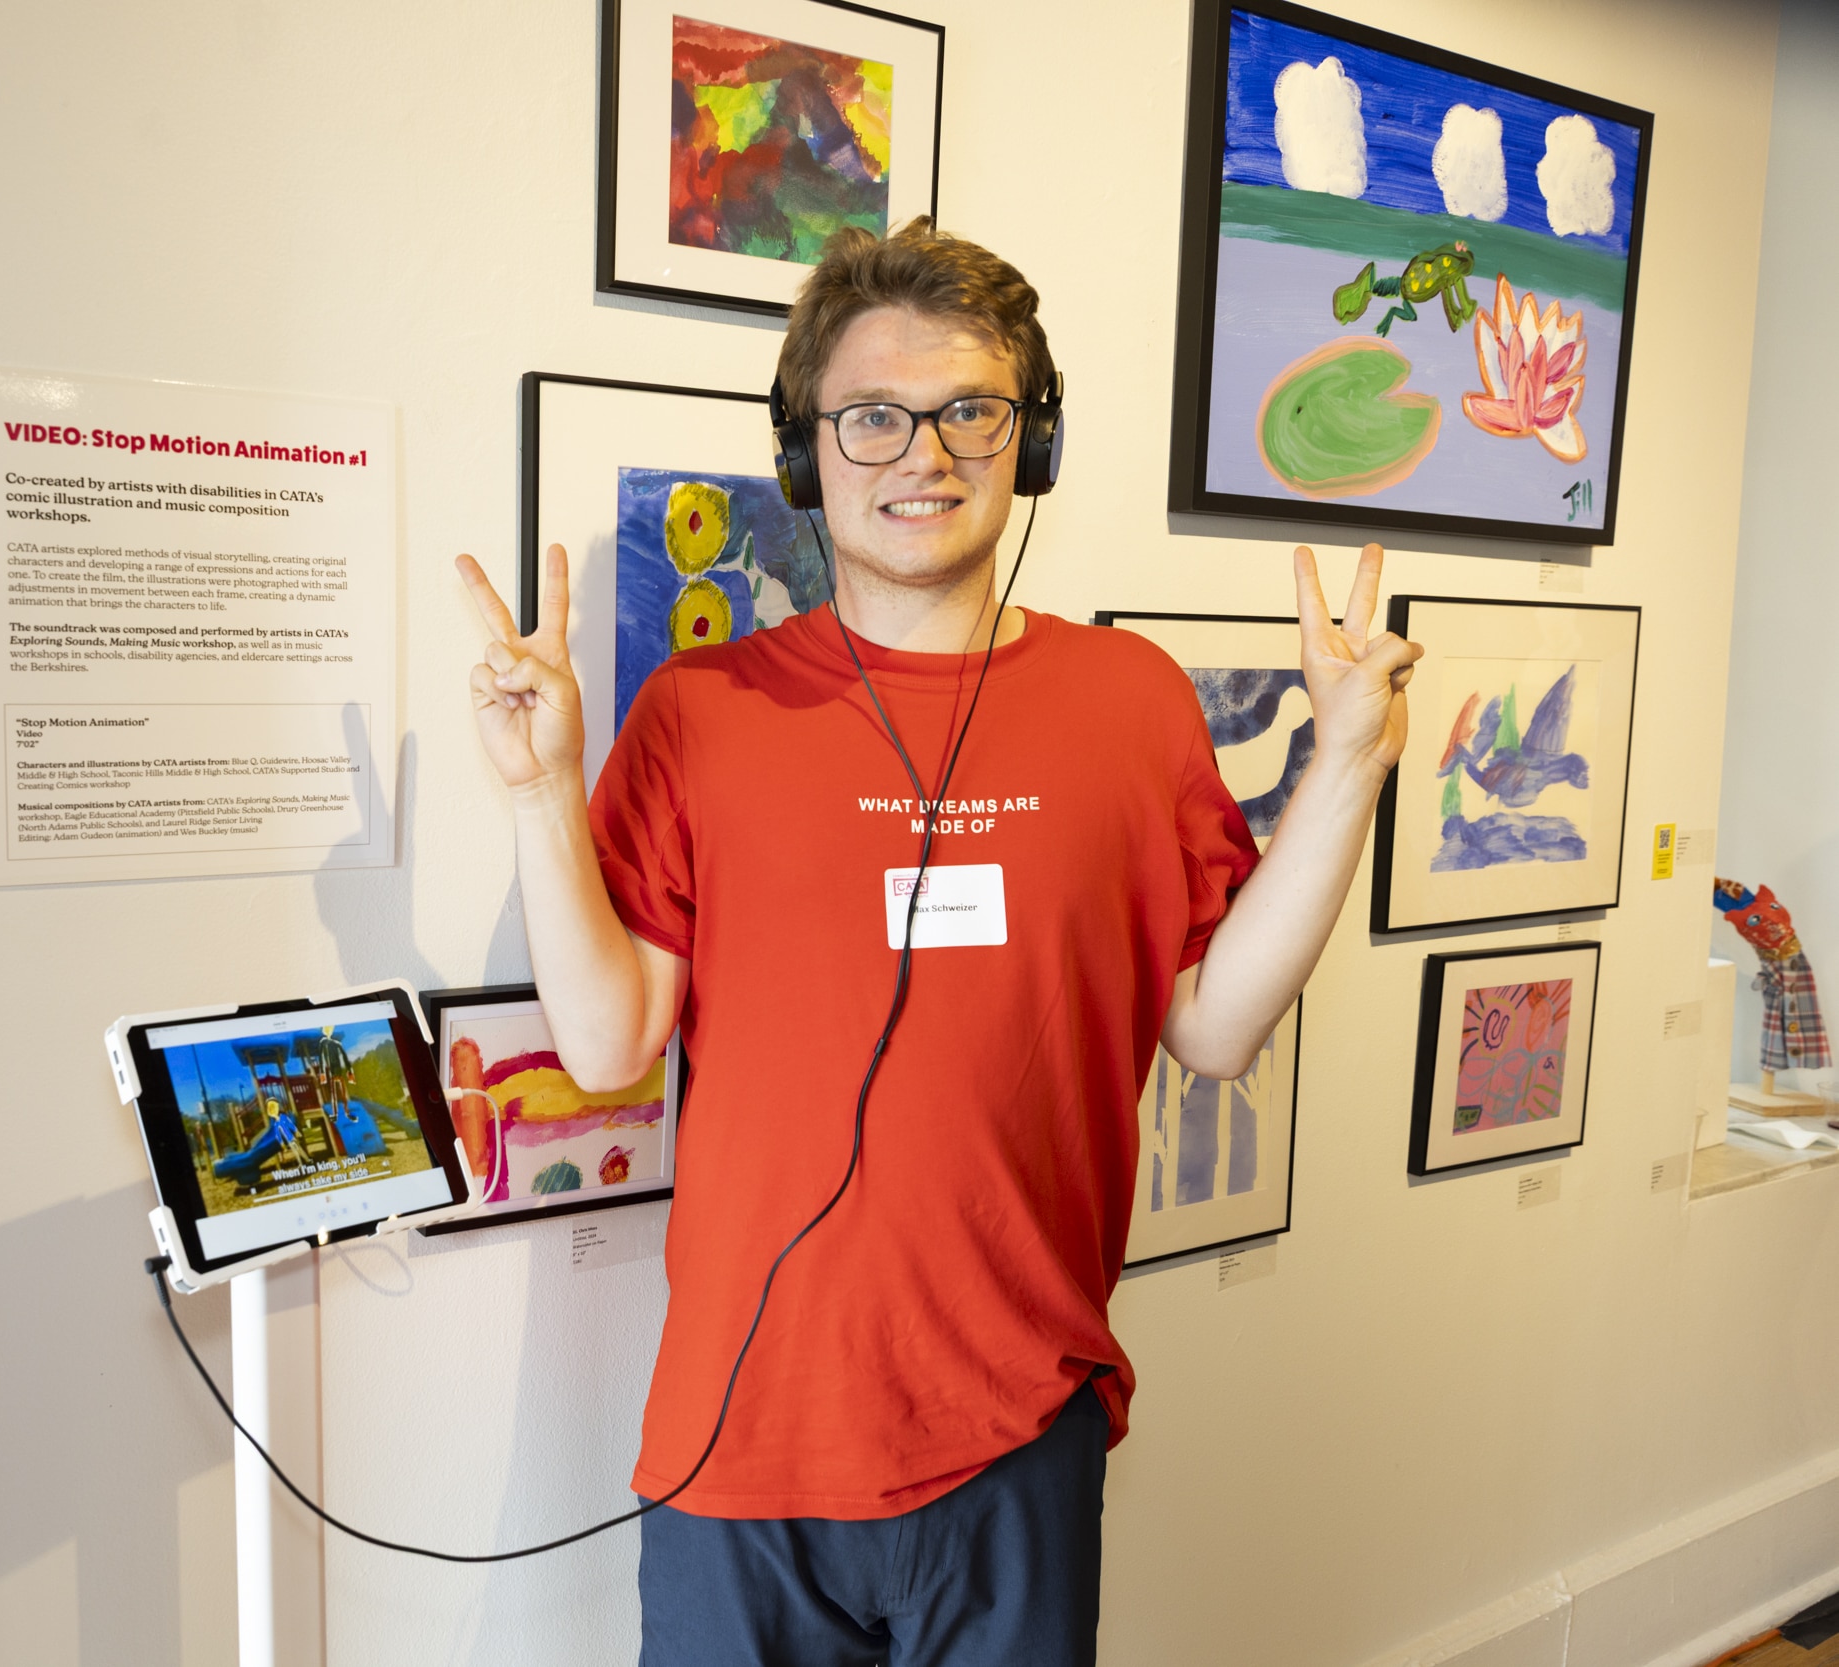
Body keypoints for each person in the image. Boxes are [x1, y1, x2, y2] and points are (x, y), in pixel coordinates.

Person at [454, 218, 1422, 1667]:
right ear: (807, 452)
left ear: (1029, 442)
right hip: (745, 1442)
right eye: (873, 417)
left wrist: (1344, 768)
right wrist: (539, 796)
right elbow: (605, 1045)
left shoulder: (1129, 700)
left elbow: (1215, 1031)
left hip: (1017, 1431)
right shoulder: (702, 715)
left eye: (973, 409)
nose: (925, 453)